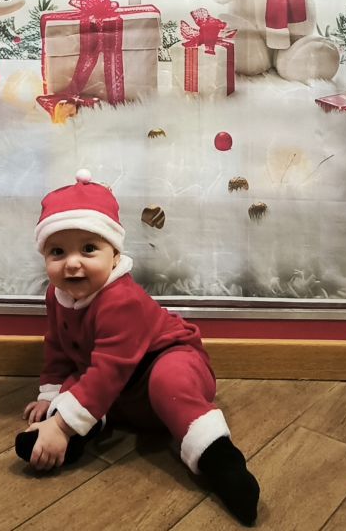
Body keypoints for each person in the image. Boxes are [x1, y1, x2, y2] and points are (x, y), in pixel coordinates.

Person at [15, 169, 260, 527]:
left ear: (115, 255)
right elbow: (57, 344)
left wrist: (63, 425)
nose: (72, 262)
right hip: (117, 384)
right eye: (57, 251)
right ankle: (67, 436)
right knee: (77, 382)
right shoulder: (57, 295)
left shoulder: (120, 300)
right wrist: (51, 394)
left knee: (168, 381)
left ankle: (219, 459)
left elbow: (109, 370)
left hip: (164, 359)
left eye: (88, 249)